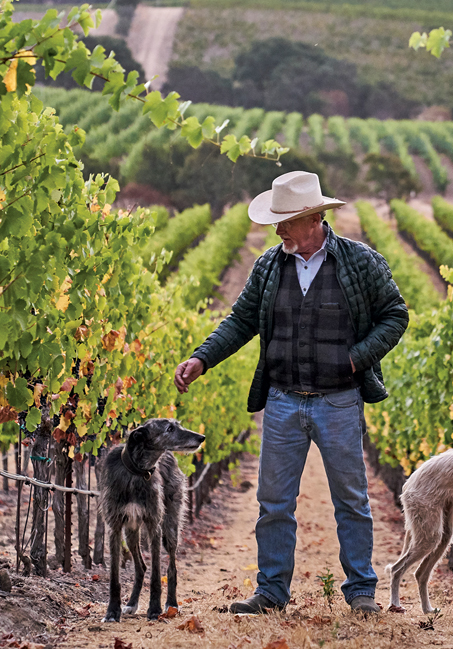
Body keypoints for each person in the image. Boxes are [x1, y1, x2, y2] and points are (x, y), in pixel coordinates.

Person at [174, 171, 409, 615]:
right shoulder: (268, 266)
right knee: (274, 504)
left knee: (352, 501)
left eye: (285, 220)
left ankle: (361, 592)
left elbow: (395, 315)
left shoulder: (360, 262)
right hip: (282, 401)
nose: (277, 228)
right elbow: (240, 321)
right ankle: (271, 592)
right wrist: (202, 358)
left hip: (339, 400)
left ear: (314, 218)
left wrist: (357, 358)